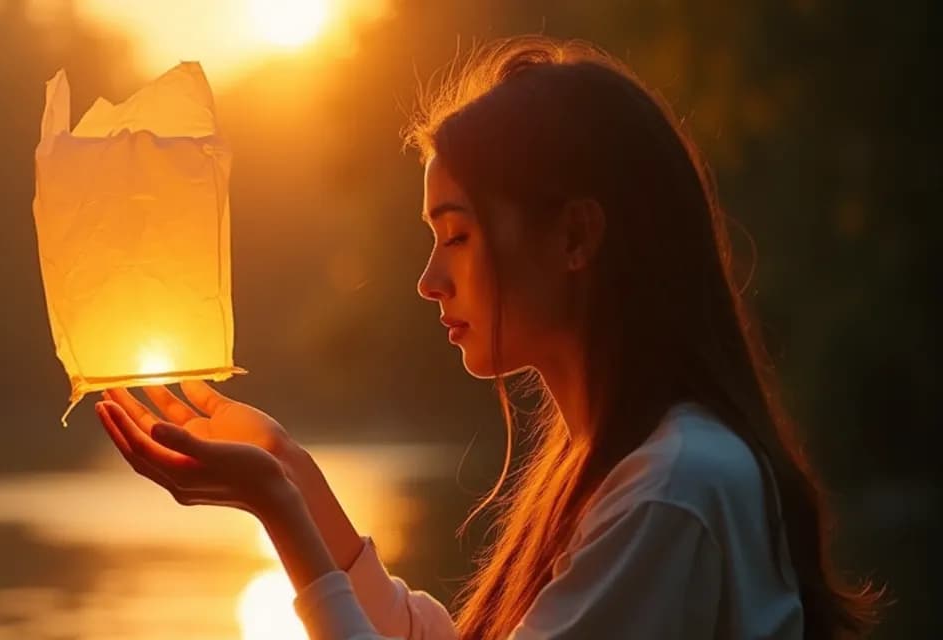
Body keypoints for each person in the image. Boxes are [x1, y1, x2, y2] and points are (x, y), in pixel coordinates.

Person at [93, 36, 880, 639]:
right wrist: (292, 478)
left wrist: (280, 513)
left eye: (458, 237)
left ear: (575, 237)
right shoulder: (628, 466)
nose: (429, 280)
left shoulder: (672, 489)